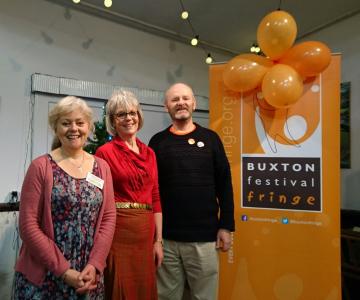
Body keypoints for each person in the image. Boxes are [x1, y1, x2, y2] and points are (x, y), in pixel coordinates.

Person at [14, 96, 116, 299]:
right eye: (66, 123)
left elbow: (109, 217)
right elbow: (28, 226)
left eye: (80, 122)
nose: (74, 128)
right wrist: (64, 271)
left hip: (88, 275)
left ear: (89, 126)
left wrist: (95, 265)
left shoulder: (102, 168)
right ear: (56, 127)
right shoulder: (40, 167)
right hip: (46, 276)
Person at [148, 83, 235, 300]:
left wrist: (226, 225)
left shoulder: (211, 139)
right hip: (166, 239)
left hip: (204, 238)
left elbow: (225, 184)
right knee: (166, 296)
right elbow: (151, 189)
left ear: (194, 103)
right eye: (175, 99)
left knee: (203, 297)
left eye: (185, 98)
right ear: (165, 106)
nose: (181, 103)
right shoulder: (157, 142)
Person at [95, 90, 163, 300]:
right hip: (118, 234)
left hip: (145, 234)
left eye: (132, 112)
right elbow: (98, 199)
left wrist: (158, 241)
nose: (128, 118)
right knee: (120, 290)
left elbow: (155, 197)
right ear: (113, 121)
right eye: (121, 114)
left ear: (139, 115)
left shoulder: (150, 153)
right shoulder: (104, 153)